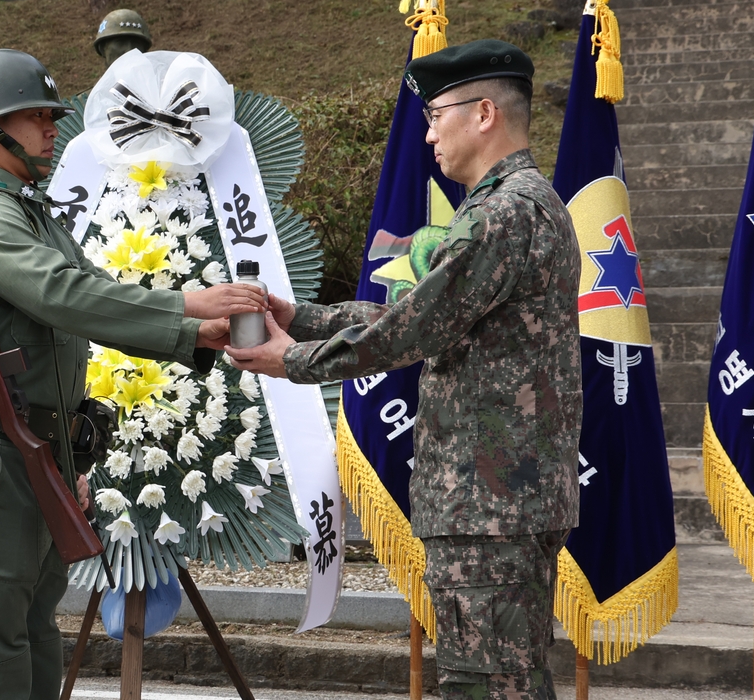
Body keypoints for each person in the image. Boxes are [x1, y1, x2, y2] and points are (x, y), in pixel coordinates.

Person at [226, 40, 582, 700]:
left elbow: (413, 329)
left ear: (483, 114)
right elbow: (423, 311)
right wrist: (299, 317)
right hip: (497, 500)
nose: (425, 136)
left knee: (489, 684)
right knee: (504, 678)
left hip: (491, 503)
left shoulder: (505, 213)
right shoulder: (513, 206)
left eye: (434, 116)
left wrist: (292, 360)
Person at [0, 48, 259, 700]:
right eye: (36, 117)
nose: (52, 129)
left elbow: (89, 289)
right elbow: (59, 294)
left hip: (33, 449)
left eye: (51, 116)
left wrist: (191, 319)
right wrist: (186, 316)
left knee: (19, 625)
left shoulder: (31, 210)